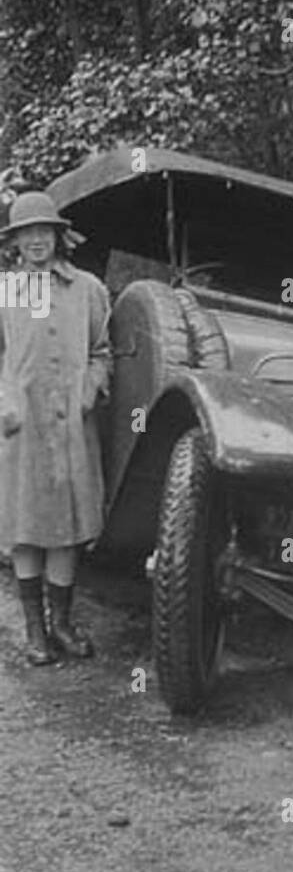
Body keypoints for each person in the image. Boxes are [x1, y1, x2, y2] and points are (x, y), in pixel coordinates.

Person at [0, 190, 111, 664]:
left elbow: (102, 352)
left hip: (71, 424)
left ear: (59, 236)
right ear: (15, 242)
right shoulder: (6, 290)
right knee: (26, 527)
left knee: (67, 527)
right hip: (20, 423)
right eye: (27, 233)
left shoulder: (88, 288)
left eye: (44, 231)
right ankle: (34, 632)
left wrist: (88, 392)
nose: (37, 241)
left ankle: (62, 623)